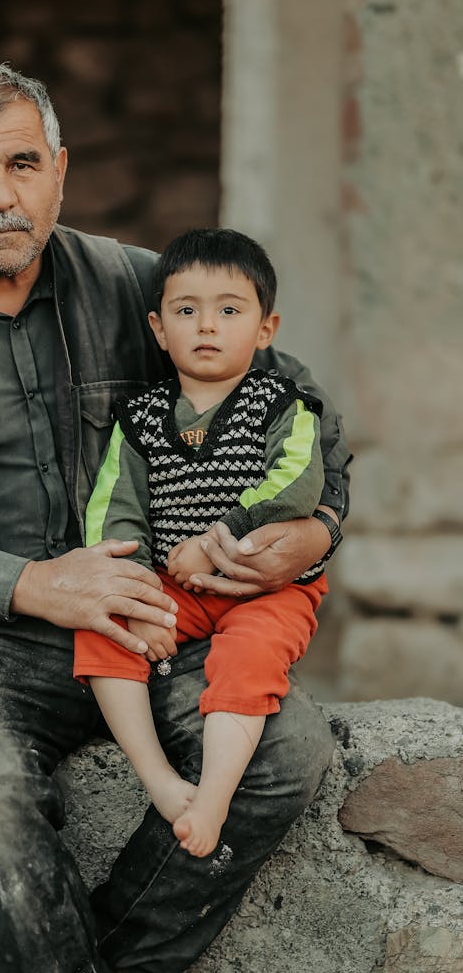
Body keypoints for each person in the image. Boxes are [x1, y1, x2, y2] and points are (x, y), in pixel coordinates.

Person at [0, 63, 349, 973]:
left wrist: (316, 531)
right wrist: (28, 583)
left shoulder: (146, 290)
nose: (2, 194)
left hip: (151, 621)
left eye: (24, 162)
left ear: (61, 171)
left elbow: (295, 403)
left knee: (285, 752)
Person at [74, 227, 332, 860]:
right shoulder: (141, 419)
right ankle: (161, 781)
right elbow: (114, 507)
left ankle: (213, 797)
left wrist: (214, 543)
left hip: (265, 589)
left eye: (229, 310)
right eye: (187, 311)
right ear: (160, 330)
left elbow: (297, 485)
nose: (207, 326)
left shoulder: (282, 404)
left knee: (247, 659)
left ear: (265, 328)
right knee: (103, 629)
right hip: (175, 589)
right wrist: (134, 591)